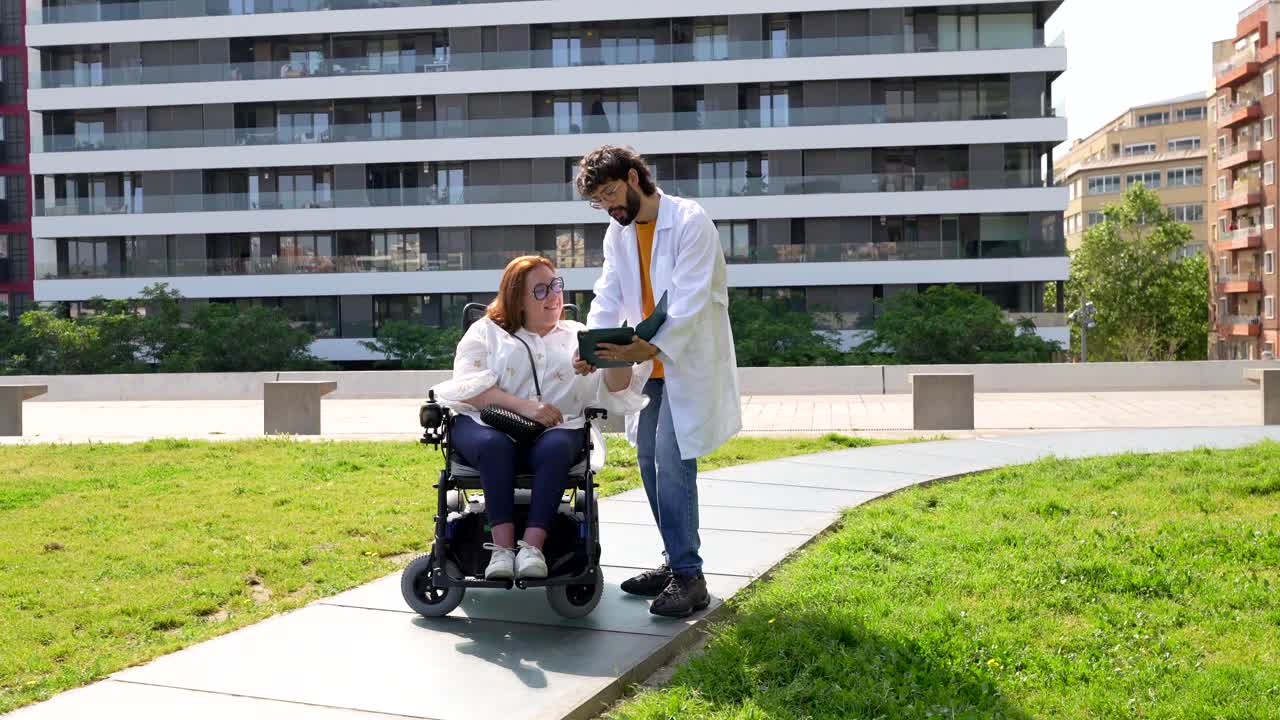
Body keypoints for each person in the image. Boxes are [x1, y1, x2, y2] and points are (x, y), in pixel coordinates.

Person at [573, 145, 742, 618]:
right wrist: (595, 346)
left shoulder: (691, 221)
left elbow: (688, 302)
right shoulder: (618, 232)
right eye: (599, 202)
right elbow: (608, 294)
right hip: (649, 366)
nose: (608, 206)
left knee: (672, 461)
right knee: (648, 461)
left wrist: (646, 348)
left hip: (684, 360)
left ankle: (691, 578)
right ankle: (674, 561)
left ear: (633, 177)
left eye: (610, 193)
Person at [431, 256, 648, 581]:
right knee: (494, 445)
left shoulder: (579, 336)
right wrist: (525, 407)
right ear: (517, 298)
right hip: (484, 424)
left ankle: (533, 548)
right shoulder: (485, 332)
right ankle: (502, 551)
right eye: (541, 290)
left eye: (556, 285)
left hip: (556, 432)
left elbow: (618, 390)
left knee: (558, 446)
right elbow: (467, 388)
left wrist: (613, 357)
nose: (554, 296)